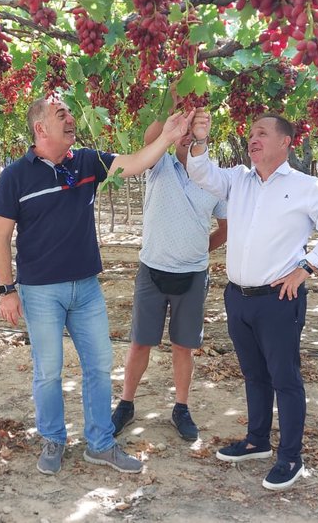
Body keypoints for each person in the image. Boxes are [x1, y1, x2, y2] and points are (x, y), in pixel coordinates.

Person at [0, 96, 195, 476]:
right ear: (40, 129)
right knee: (48, 371)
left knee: (100, 367)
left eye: (69, 111)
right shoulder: (15, 176)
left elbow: (135, 163)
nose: (71, 118)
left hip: (86, 289)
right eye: (61, 114)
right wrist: (7, 289)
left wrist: (168, 136)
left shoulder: (86, 160)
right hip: (40, 292)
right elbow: (0, 237)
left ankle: (100, 443)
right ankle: (53, 438)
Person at [186, 113, 318, 491]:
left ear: (285, 143)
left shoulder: (306, 186)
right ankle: (256, 440)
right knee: (253, 374)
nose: (253, 139)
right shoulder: (238, 181)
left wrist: (307, 267)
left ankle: (290, 456)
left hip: (279, 299)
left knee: (285, 378)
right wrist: (198, 140)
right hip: (238, 297)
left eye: (262, 133)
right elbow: (201, 173)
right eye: (250, 134)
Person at [111, 111, 227, 442]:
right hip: (153, 270)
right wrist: (175, 110)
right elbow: (150, 139)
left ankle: (181, 407)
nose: (187, 136)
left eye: (194, 130)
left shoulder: (213, 178)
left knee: (183, 346)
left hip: (192, 275)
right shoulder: (159, 163)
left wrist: (196, 249)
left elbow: (225, 229)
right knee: (140, 343)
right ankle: (126, 403)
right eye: (182, 131)